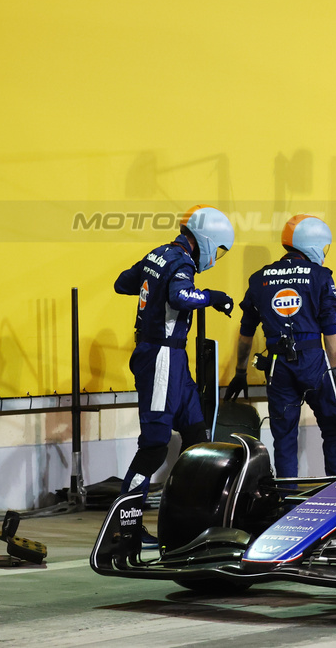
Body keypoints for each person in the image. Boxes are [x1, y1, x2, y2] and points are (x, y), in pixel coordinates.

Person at [113, 205, 235, 531]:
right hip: (162, 358)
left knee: (197, 439)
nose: (216, 256)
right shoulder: (182, 262)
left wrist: (150, 291)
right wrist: (213, 297)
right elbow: (181, 297)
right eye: (219, 249)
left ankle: (193, 518)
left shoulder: (159, 254)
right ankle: (127, 523)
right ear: (207, 240)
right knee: (154, 446)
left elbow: (123, 283)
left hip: (171, 359)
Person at [232, 214, 336, 479]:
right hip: (313, 362)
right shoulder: (320, 276)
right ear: (313, 243)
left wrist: (240, 371)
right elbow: (331, 329)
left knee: (283, 436)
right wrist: (332, 370)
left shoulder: (259, 278)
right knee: (334, 425)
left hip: (277, 366)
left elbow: (246, 333)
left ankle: (286, 499)